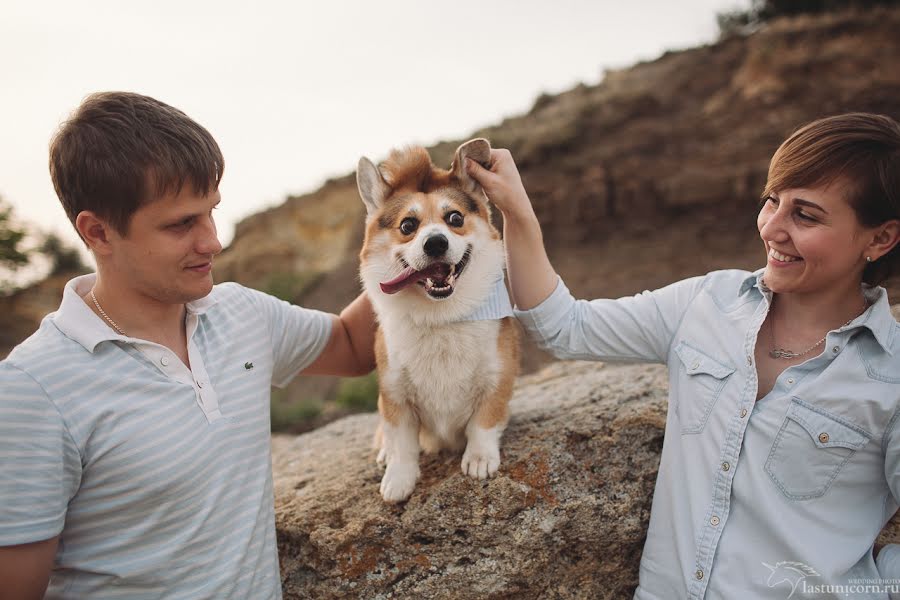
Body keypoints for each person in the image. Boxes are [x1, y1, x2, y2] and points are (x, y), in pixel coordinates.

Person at [466, 113, 900, 598]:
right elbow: (567, 328)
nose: (772, 228)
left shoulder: (892, 376)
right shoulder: (705, 303)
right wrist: (517, 211)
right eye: (772, 201)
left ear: (880, 238)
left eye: (806, 215)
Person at [0, 92, 376, 599]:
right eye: (182, 224)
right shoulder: (32, 389)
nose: (213, 241)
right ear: (97, 232)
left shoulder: (242, 313)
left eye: (211, 213)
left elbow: (355, 345)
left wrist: (429, 234)